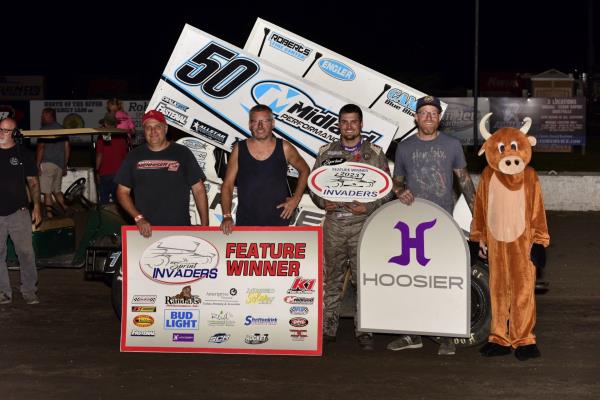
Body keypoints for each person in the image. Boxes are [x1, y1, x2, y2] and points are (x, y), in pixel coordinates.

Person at [388, 95, 476, 356]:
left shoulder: (452, 145)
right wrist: (400, 191)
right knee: (413, 281)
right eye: (423, 113)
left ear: (440, 118)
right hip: (412, 225)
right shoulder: (404, 147)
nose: (428, 117)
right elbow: (396, 182)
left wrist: (479, 216)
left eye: (433, 113)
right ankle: (412, 334)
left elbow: (465, 182)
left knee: (444, 280)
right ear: (416, 117)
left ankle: (446, 335)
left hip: (443, 223)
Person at [309, 104, 392, 351]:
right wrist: (324, 202)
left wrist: (367, 208)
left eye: (353, 122)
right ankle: (328, 328)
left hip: (362, 226)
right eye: (344, 122)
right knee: (331, 279)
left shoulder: (375, 153)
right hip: (334, 224)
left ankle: (364, 330)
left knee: (362, 280)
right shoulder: (326, 152)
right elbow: (314, 188)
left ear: (361, 124)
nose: (348, 126)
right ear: (338, 124)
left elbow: (386, 193)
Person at [115, 109, 209, 238]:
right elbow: (122, 192)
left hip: (180, 230)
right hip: (145, 231)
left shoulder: (182, 153)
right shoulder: (133, 156)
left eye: (157, 127)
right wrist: (138, 218)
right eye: (148, 127)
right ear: (144, 131)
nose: (153, 131)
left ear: (165, 128)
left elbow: (199, 190)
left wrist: (205, 226)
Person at [219, 104, 309, 234]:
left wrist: (296, 199)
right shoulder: (239, 149)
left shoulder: (284, 147)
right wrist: (226, 216)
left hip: (278, 220)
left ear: (272, 124)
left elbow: (305, 170)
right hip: (246, 220)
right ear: (250, 125)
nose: (260, 126)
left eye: (265, 121)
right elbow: (227, 185)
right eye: (255, 122)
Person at [0, 117, 42, 304]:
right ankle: (4, 292)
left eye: (6, 131)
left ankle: (29, 290)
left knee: (26, 253)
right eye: (0, 129)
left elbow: (33, 182)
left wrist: (37, 206)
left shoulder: (23, 154)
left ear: (15, 134)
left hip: (19, 212)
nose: (1, 133)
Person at [35, 108, 70, 217]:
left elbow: (41, 148)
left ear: (49, 116)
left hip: (47, 163)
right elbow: (67, 147)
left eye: (43, 116)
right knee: (57, 190)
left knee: (47, 193)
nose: (41, 117)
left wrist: (37, 164)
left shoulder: (44, 129)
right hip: (59, 165)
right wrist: (64, 164)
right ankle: (67, 209)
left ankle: (50, 216)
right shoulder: (62, 129)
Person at [96, 113, 128, 204]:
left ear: (105, 124)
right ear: (115, 124)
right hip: (118, 173)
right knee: (118, 200)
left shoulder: (102, 136)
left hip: (105, 173)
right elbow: (125, 156)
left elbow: (99, 155)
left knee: (104, 200)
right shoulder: (121, 136)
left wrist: (96, 170)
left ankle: (105, 216)